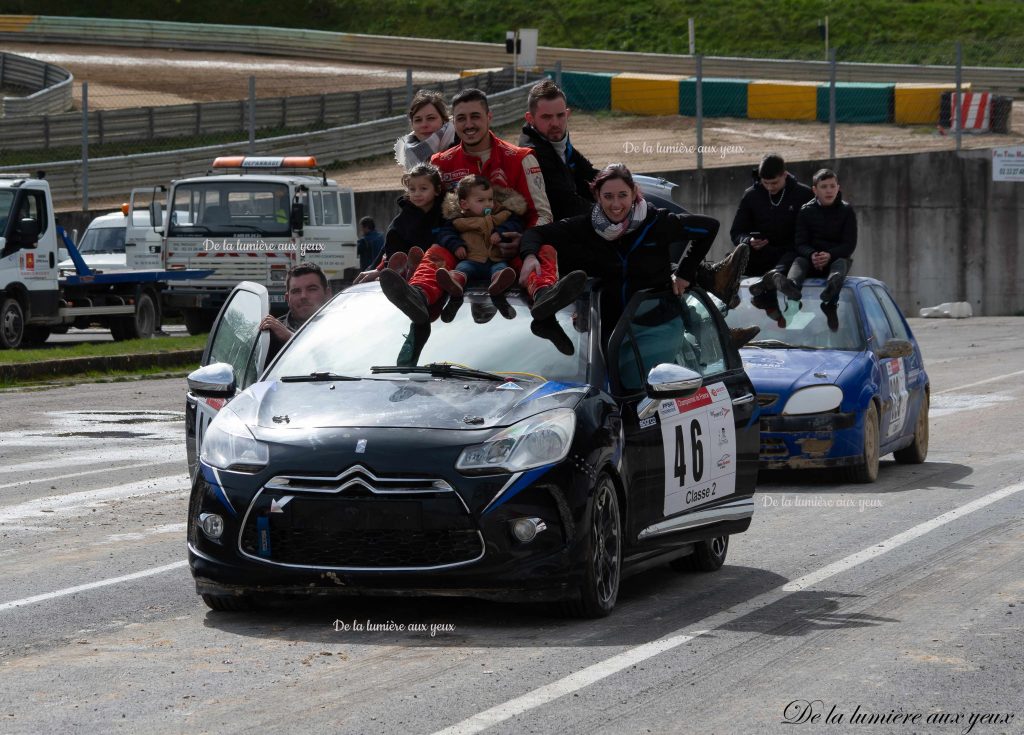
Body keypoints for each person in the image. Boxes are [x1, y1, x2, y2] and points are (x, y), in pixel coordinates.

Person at [380, 88, 581, 325]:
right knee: (436, 252)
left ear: (489, 117)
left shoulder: (521, 157)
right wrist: (384, 262)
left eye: (475, 116)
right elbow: (423, 214)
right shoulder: (441, 162)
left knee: (544, 249)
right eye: (461, 118)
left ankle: (545, 295)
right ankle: (418, 295)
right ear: (454, 122)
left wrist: (525, 244)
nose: (469, 124)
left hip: (510, 251)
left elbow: (542, 214)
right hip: (462, 253)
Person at [434, 175, 525, 315]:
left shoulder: (501, 214)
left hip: (496, 259)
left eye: (490, 199)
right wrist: (456, 246)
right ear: (465, 204)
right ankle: (455, 282)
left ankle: (498, 283)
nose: (488, 204)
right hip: (472, 260)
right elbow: (445, 234)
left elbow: (515, 223)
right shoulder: (459, 220)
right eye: (481, 200)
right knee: (462, 268)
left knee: (501, 268)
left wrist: (501, 232)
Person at [729, 153, 815, 287]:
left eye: (774, 183)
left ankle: (771, 280)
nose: (770, 187)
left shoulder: (803, 194)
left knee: (795, 258)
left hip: (791, 253)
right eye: (765, 183)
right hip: (760, 254)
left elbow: (811, 232)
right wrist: (749, 240)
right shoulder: (751, 195)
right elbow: (736, 232)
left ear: (784, 175)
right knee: (734, 259)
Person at [518, 79, 599, 221]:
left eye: (560, 115)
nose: (555, 123)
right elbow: (567, 204)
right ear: (530, 118)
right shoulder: (533, 153)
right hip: (554, 225)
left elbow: (587, 171)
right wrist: (610, 209)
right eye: (546, 117)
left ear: (567, 114)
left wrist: (624, 183)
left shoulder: (555, 137)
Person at [781, 168, 857, 318]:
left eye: (832, 186)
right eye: (824, 187)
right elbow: (800, 243)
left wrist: (830, 255)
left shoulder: (846, 210)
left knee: (840, 264)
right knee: (798, 261)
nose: (829, 191)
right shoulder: (806, 210)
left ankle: (831, 296)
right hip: (811, 261)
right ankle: (792, 291)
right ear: (815, 190)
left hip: (835, 259)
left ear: (838, 188)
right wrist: (812, 255)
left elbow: (849, 244)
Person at [353, 164, 444, 284]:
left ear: (437, 190)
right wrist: (386, 267)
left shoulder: (446, 214)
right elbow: (392, 248)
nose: (417, 193)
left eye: (423, 188)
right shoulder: (401, 221)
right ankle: (406, 272)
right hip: (407, 273)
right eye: (412, 189)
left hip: (438, 267)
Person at [261, 263, 331, 361]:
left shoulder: (342, 328)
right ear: (287, 298)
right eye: (296, 291)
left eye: (312, 289)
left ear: (327, 294)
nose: (303, 296)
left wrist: (290, 338)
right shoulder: (271, 335)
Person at [393, 90, 457, 171]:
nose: (424, 125)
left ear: (444, 120)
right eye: (418, 120)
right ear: (412, 124)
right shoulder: (410, 151)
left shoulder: (461, 143)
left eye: (431, 118)